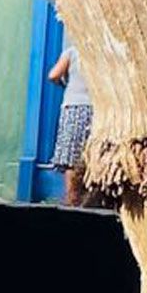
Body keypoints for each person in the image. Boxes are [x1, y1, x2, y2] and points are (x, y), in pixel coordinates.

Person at [49, 44, 93, 206]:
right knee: (91, 156)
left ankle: (71, 200)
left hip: (73, 108)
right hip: (97, 109)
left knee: (71, 158)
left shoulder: (73, 51)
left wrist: (65, 84)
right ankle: (89, 200)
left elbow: (53, 75)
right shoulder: (103, 51)